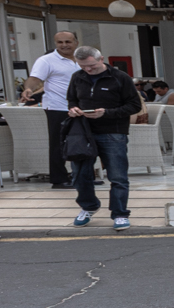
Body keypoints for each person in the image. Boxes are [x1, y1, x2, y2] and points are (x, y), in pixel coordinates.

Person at [67, 46, 143, 229]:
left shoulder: (120, 78)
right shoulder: (78, 77)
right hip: (83, 131)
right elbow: (71, 99)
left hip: (113, 131)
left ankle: (120, 213)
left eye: (91, 65)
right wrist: (73, 109)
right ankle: (89, 205)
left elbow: (134, 106)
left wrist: (106, 113)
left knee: (117, 176)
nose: (88, 70)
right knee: (79, 174)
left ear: (101, 59)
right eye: (83, 66)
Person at [31, 30, 83, 188]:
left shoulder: (83, 58)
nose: (64, 45)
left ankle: (83, 176)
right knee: (58, 143)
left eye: (68, 42)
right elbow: (34, 79)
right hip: (57, 107)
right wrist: (28, 90)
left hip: (83, 107)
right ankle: (59, 179)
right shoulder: (46, 60)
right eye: (60, 42)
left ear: (76, 42)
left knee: (85, 141)